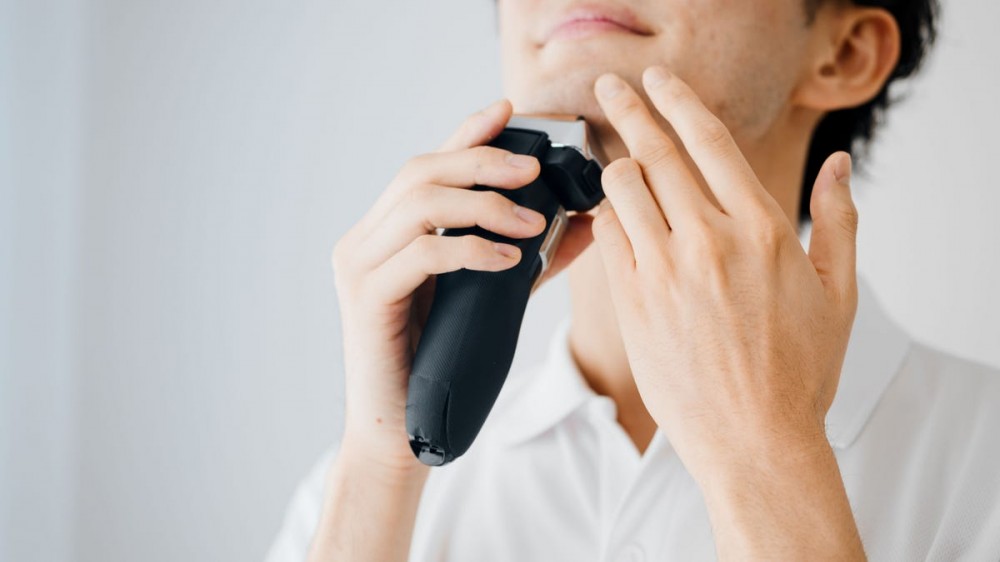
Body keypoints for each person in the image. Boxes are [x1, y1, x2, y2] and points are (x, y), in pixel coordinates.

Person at [267, 0, 1000, 560]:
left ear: (843, 52)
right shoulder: (364, 490)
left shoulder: (983, 463)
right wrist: (379, 469)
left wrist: (768, 459)